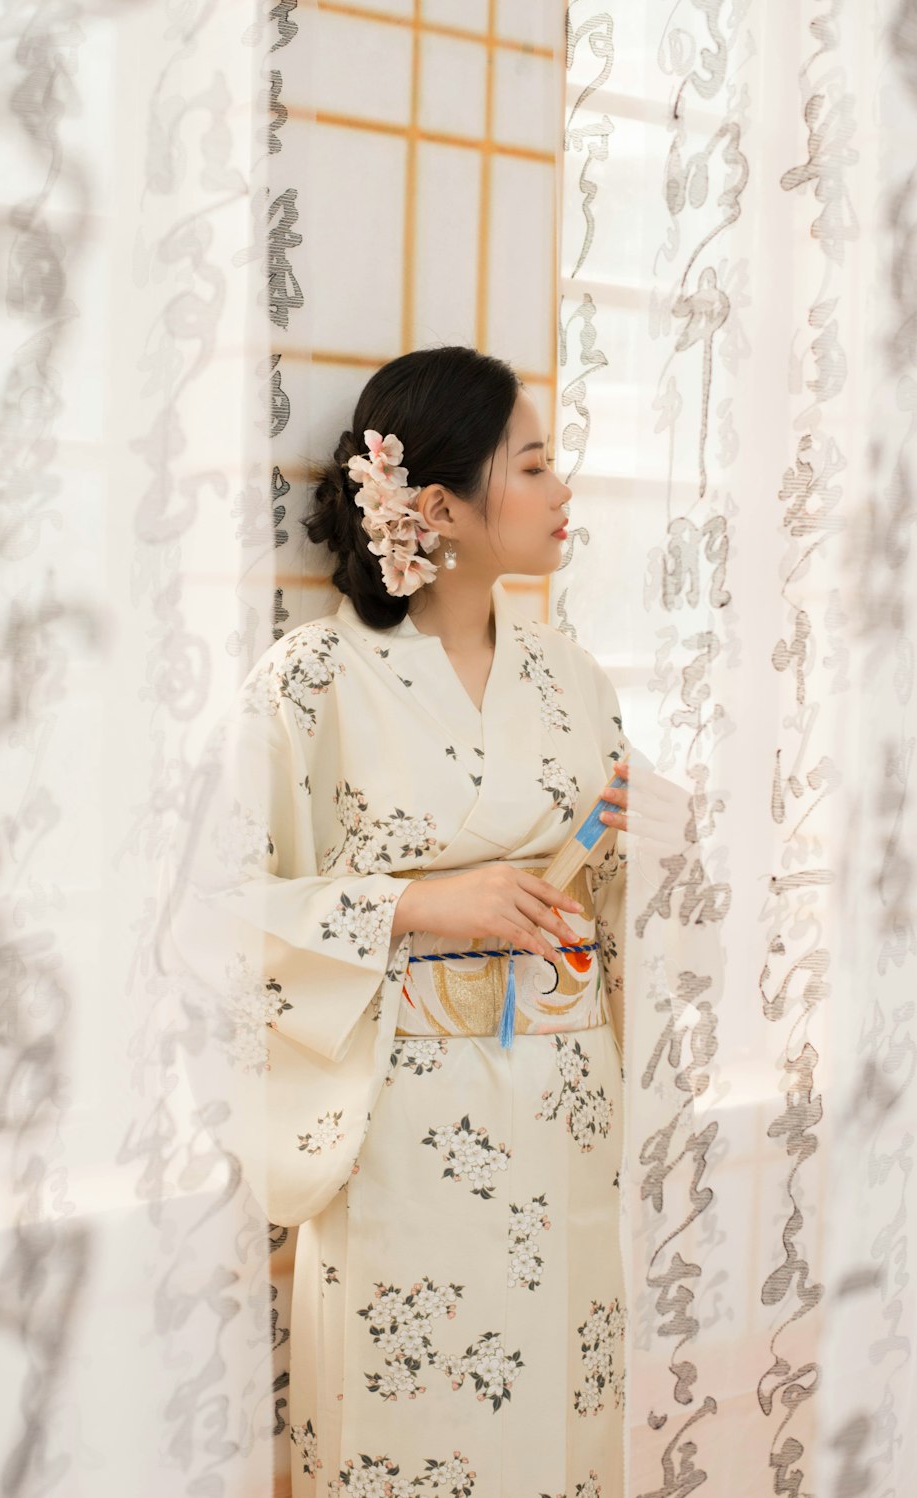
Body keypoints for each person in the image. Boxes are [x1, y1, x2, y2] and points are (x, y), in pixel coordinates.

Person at [162, 345, 641, 1498]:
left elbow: (609, 876)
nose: (562, 488)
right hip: (405, 1118)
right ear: (436, 506)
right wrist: (415, 904)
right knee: (416, 1433)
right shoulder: (312, 680)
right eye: (531, 464)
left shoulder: (571, 675)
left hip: (561, 1094)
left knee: (559, 1432)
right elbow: (209, 907)